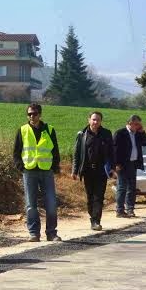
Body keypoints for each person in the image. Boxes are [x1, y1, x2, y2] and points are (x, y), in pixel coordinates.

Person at [13, 103, 62, 242]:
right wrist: (21, 167)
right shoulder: (22, 130)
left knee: (51, 203)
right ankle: (34, 233)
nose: (31, 116)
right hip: (29, 172)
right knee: (30, 204)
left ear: (40, 114)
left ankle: (51, 233)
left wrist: (55, 166)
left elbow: (55, 151)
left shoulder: (50, 130)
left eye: (34, 113)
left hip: (46, 171)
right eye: (29, 114)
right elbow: (16, 152)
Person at [72, 111, 115, 231]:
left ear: (101, 121)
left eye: (98, 120)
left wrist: (112, 168)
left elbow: (111, 153)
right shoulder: (82, 134)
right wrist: (75, 170)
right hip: (87, 170)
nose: (96, 122)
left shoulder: (106, 134)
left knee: (99, 196)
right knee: (90, 196)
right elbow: (76, 154)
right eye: (94, 119)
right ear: (89, 120)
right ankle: (92, 218)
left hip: (101, 170)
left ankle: (96, 221)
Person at [113, 114, 146, 218]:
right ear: (130, 123)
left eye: (139, 125)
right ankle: (119, 210)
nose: (137, 126)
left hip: (133, 163)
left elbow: (144, 143)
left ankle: (130, 209)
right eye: (136, 124)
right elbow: (114, 150)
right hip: (122, 164)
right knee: (122, 187)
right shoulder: (120, 133)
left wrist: (142, 131)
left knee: (132, 188)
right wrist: (116, 164)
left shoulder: (137, 133)